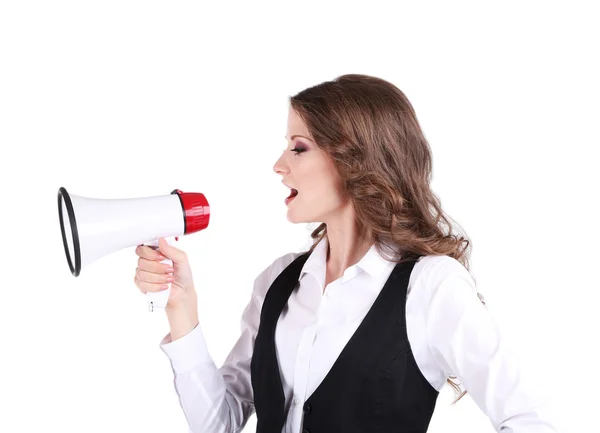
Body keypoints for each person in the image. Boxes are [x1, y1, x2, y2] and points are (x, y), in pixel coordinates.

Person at [133, 74, 559, 432]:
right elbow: (219, 422)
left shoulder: (431, 285)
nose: (279, 165)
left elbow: (529, 418)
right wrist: (181, 308)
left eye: (298, 147)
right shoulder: (279, 281)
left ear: (354, 158)